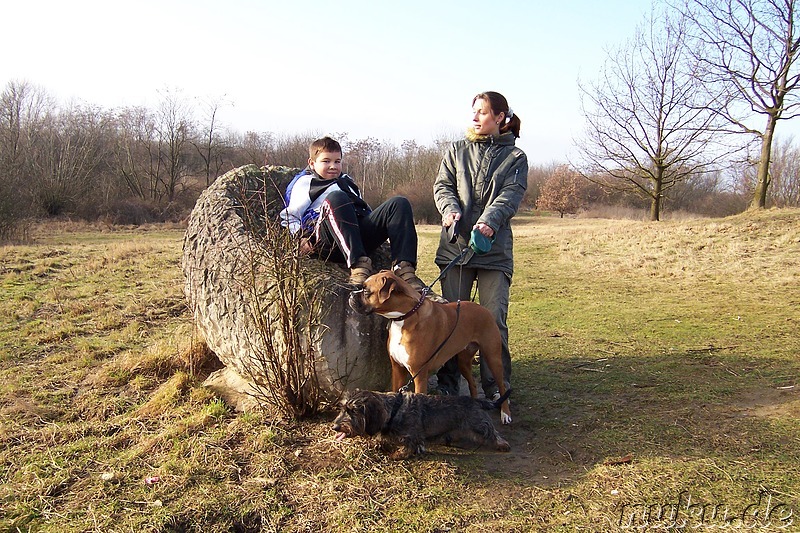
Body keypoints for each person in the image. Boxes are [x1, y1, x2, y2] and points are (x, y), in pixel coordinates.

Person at [433, 91, 528, 400]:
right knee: (448, 322)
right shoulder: (456, 150)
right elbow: (442, 186)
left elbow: (510, 195)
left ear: (499, 117)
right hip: (455, 249)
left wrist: (489, 220)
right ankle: (448, 388)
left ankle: (496, 390)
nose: (474, 117)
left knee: (493, 320)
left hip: (494, 252)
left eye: (482, 112)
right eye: (473, 111)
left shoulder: (516, 158)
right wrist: (449, 209)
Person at [279, 136, 437, 296]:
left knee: (399, 203)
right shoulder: (305, 183)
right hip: (327, 241)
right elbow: (290, 216)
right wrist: (300, 237)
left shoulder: (347, 182)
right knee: (337, 197)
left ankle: (404, 270)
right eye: (326, 161)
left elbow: (363, 209)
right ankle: (358, 265)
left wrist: (377, 224)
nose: (333, 166)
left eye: (337, 161)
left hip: (356, 236)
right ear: (312, 163)